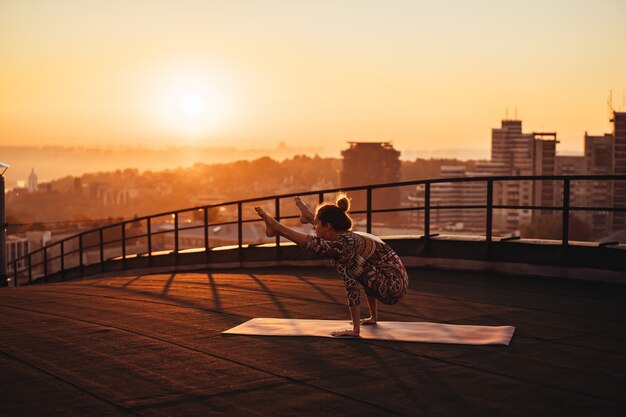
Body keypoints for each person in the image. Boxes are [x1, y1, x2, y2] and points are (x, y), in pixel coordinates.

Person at [255, 193, 408, 338]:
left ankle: (279, 227)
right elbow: (371, 273)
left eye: (316, 223)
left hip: (392, 289)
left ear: (328, 226)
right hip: (392, 281)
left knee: (342, 259)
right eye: (314, 223)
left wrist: (355, 330)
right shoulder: (347, 238)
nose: (314, 228)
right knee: (346, 258)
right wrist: (372, 317)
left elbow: (352, 285)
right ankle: (306, 217)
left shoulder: (344, 246)